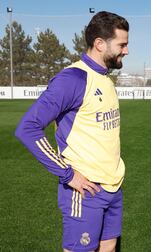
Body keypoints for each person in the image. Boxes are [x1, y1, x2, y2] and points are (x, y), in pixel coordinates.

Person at [15, 11, 129, 251]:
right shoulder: (73, 79)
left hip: (113, 186)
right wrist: (68, 174)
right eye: (122, 44)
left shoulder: (106, 79)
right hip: (86, 190)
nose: (126, 51)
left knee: (108, 245)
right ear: (99, 44)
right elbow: (28, 128)